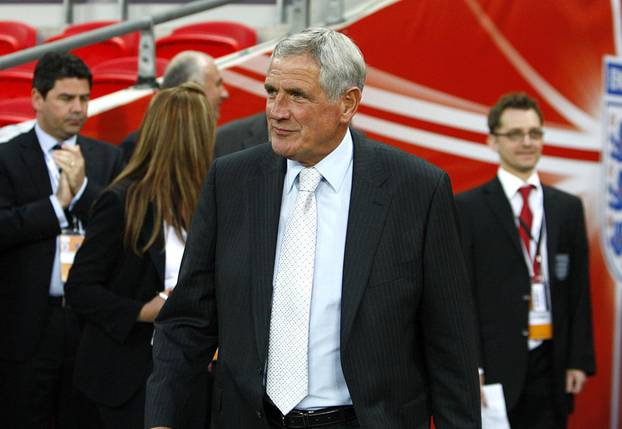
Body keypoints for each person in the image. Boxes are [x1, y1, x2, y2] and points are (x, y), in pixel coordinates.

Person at [145, 27, 481, 429]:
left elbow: (450, 345)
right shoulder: (231, 180)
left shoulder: (416, 190)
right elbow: (188, 320)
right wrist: (161, 420)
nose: (276, 110)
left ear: (348, 103)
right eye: (272, 92)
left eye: (297, 95)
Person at [64, 82, 216, 428]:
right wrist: (141, 311)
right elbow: (80, 289)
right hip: (125, 379)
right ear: (195, 138)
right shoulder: (121, 202)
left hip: (192, 375)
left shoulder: (210, 202)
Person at [455, 92, 596, 428]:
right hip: (494, 366)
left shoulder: (567, 208)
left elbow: (578, 289)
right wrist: (470, 367)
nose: (527, 142)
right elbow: (460, 296)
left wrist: (578, 360)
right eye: (515, 134)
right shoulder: (467, 209)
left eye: (535, 133)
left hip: (552, 363)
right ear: (492, 141)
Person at [0, 52, 124, 428]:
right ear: (37, 98)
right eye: (66, 98)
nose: (78, 109)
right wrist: (57, 206)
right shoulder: (6, 157)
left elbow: (120, 226)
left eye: (84, 99)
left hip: (89, 324)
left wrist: (84, 190)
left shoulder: (107, 157)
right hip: (25, 326)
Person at [120, 50, 229, 162]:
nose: (225, 94)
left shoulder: (211, 143)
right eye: (218, 84)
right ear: (193, 89)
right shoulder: (136, 149)